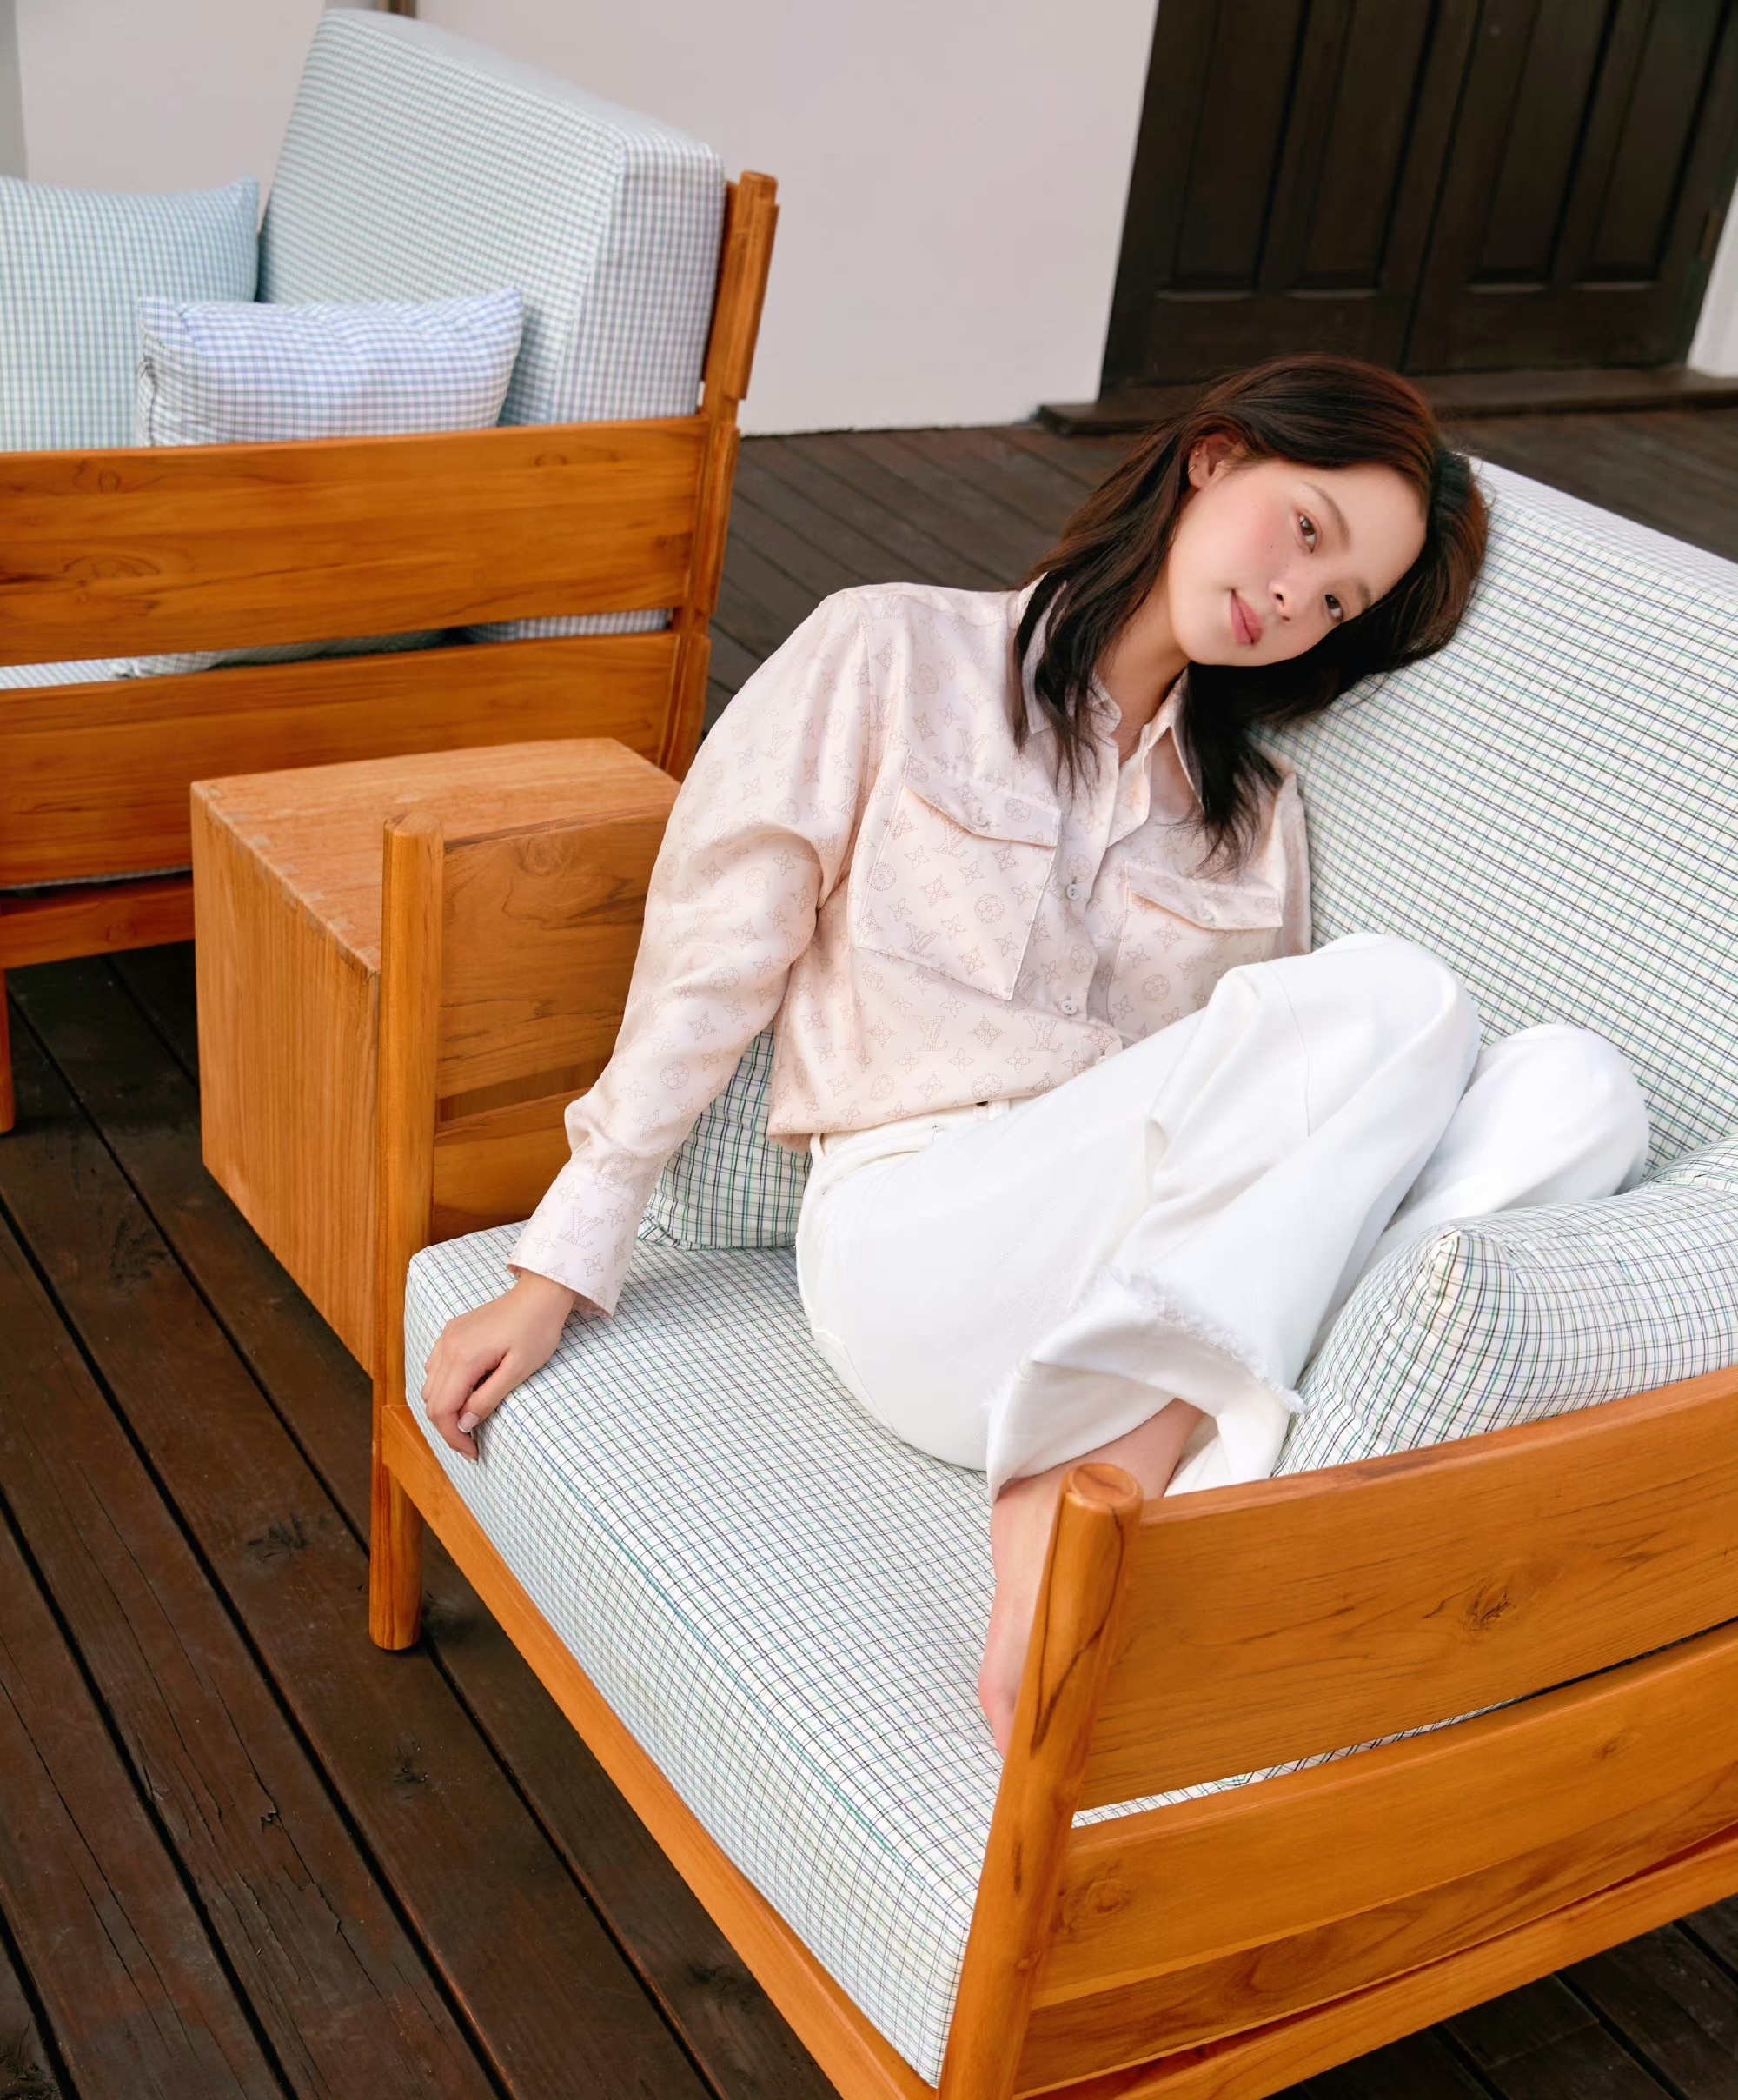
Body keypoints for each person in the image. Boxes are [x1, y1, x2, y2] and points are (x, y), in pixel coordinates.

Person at [421, 356, 1648, 1751]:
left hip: (1115, 1287)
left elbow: (1277, 1149)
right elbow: (716, 951)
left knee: (1581, 1098)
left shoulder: (1255, 817)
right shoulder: (889, 651)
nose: (1297, 598)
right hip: (915, 1248)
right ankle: (1107, 1474)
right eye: (1306, 531)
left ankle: (1135, 1466)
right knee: (1396, 999)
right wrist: (558, 1267)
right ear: (1215, 456)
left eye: (1339, 602)